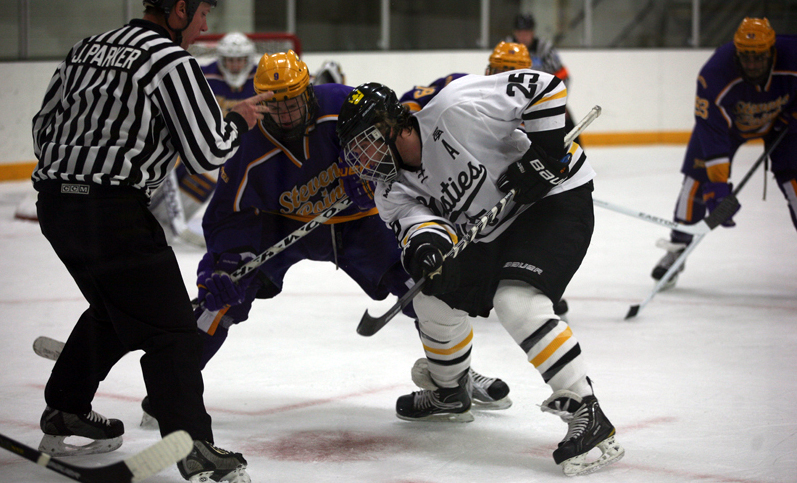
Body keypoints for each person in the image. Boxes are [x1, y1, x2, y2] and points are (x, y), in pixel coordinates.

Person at [138, 50, 511, 424]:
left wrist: (376, 177)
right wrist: (225, 262)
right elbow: (227, 216)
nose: (286, 114)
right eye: (275, 105)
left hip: (360, 222)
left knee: (426, 287)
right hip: (282, 225)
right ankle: (172, 390)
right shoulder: (248, 144)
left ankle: (454, 378)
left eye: (293, 101)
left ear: (309, 90)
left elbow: (395, 129)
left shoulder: (340, 105)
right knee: (219, 300)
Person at [30, 0, 270, 481]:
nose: (206, 25)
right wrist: (240, 120)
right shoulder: (170, 61)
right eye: (202, 12)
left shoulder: (85, 48)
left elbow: (42, 131)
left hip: (57, 206)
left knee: (112, 312)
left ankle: (66, 408)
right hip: (112, 213)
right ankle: (193, 448)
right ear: (179, 9)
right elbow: (208, 152)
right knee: (173, 331)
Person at [336, 77, 624, 476]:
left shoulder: (455, 108)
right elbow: (417, 226)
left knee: (516, 301)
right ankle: (449, 390)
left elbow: (543, 86)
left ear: (390, 124)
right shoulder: (390, 189)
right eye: (356, 152)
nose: (363, 159)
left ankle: (587, 411)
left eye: (364, 143)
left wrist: (544, 154)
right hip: (492, 229)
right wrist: (428, 251)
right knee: (431, 299)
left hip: (552, 200)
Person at [397, 41, 570, 319]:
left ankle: (536, 285)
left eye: (509, 71)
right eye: (498, 70)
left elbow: (559, 147)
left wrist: (552, 165)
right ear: (489, 69)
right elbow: (413, 101)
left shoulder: (528, 104)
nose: (500, 75)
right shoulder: (467, 88)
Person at [651, 18, 797, 287]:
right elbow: (712, 131)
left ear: (772, 52)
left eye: (759, 57)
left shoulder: (793, 55)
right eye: (746, 57)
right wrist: (718, 185)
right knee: (695, 185)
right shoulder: (716, 72)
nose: (752, 65)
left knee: (795, 183)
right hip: (725, 130)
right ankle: (677, 250)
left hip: (782, 126)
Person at [150, 31, 258, 247]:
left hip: (246, 151)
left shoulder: (261, 78)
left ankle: (161, 226)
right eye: (230, 60)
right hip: (208, 146)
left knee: (208, 171)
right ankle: (154, 221)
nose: (235, 65)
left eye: (240, 60)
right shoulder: (203, 75)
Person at [507, 13, 580, 145]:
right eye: (520, 32)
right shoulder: (506, 48)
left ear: (533, 32)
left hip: (543, 99)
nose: (523, 37)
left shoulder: (545, 49)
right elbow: (497, 78)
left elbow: (563, 77)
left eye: (527, 32)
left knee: (564, 115)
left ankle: (575, 153)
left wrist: (555, 102)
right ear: (515, 33)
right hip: (514, 101)